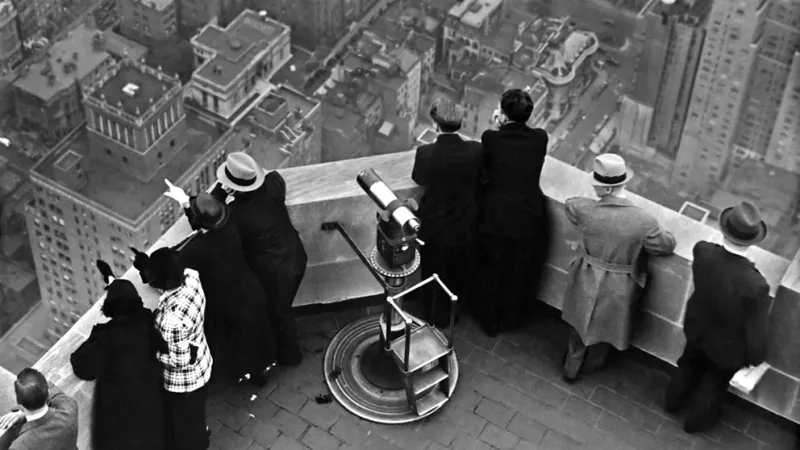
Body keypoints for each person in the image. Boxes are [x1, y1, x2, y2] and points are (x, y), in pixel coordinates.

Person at [560, 154, 676, 382]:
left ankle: (571, 366)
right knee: (608, 326)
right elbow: (666, 244)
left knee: (579, 324)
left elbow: (571, 204)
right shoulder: (644, 221)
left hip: (587, 275)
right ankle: (595, 363)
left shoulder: (587, 211)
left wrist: (596, 204)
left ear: (605, 190)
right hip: (620, 283)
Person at [665, 201, 770, 433]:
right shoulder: (757, 284)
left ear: (724, 230)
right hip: (727, 346)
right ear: (752, 241)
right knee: (713, 383)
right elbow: (756, 328)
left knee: (687, 364)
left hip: (697, 328)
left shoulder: (702, 251)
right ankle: (695, 424)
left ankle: (671, 402)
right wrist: (756, 357)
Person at [163, 186, 278, 386]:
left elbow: (172, 269)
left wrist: (185, 202)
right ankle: (262, 372)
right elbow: (206, 225)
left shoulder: (194, 251)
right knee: (258, 333)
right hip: (250, 288)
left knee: (235, 341)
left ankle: (241, 375)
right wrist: (186, 202)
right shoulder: (231, 226)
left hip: (227, 303)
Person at [210, 152, 307, 366]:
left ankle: (291, 356)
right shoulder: (272, 189)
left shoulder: (236, 214)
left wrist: (219, 193)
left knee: (278, 313)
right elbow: (274, 176)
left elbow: (212, 215)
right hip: (296, 256)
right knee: (282, 309)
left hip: (274, 272)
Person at [476, 88, 552, 336]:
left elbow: (488, 167)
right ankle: (512, 317)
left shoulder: (491, 137)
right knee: (518, 269)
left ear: (503, 114)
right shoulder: (540, 138)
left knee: (492, 267)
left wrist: (499, 126)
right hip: (529, 214)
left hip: (497, 213)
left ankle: (490, 320)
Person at [69, 261, 166, 450]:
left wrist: (95, 335)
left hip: (121, 412)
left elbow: (82, 366)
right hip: (150, 401)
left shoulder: (107, 336)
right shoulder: (147, 320)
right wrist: (111, 280)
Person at [412, 98, 484, 326]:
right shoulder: (476, 150)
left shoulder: (426, 153)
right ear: (460, 124)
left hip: (435, 226)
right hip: (465, 223)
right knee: (457, 271)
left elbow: (419, 178)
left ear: (435, 124)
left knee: (432, 271)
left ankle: (433, 314)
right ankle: (453, 311)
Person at [145, 247, 213, 450]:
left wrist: (157, 354)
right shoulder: (192, 278)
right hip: (203, 361)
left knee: (185, 427)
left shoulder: (172, 321)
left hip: (184, 384)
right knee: (196, 417)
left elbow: (180, 362)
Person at [0, 368, 78, 450]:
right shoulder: (70, 406)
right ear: (48, 392)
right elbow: (50, 386)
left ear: (18, 401)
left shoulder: (20, 446)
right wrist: (22, 414)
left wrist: (22, 413)